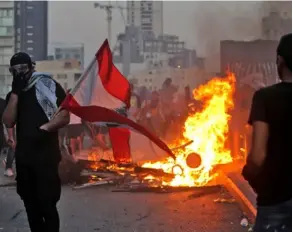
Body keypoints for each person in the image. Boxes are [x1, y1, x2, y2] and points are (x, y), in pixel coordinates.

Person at [2, 52, 70, 232]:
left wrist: (46, 128)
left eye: (23, 69)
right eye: (14, 71)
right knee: (31, 207)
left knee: (47, 204)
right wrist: (16, 93)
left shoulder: (49, 86)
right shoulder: (13, 95)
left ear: (31, 67)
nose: (19, 74)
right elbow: (8, 121)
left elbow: (64, 115)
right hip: (25, 158)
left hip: (46, 156)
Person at [242, 33, 292, 232]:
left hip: (276, 198)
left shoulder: (265, 97)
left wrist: (249, 173)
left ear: (280, 61)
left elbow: (258, 155)